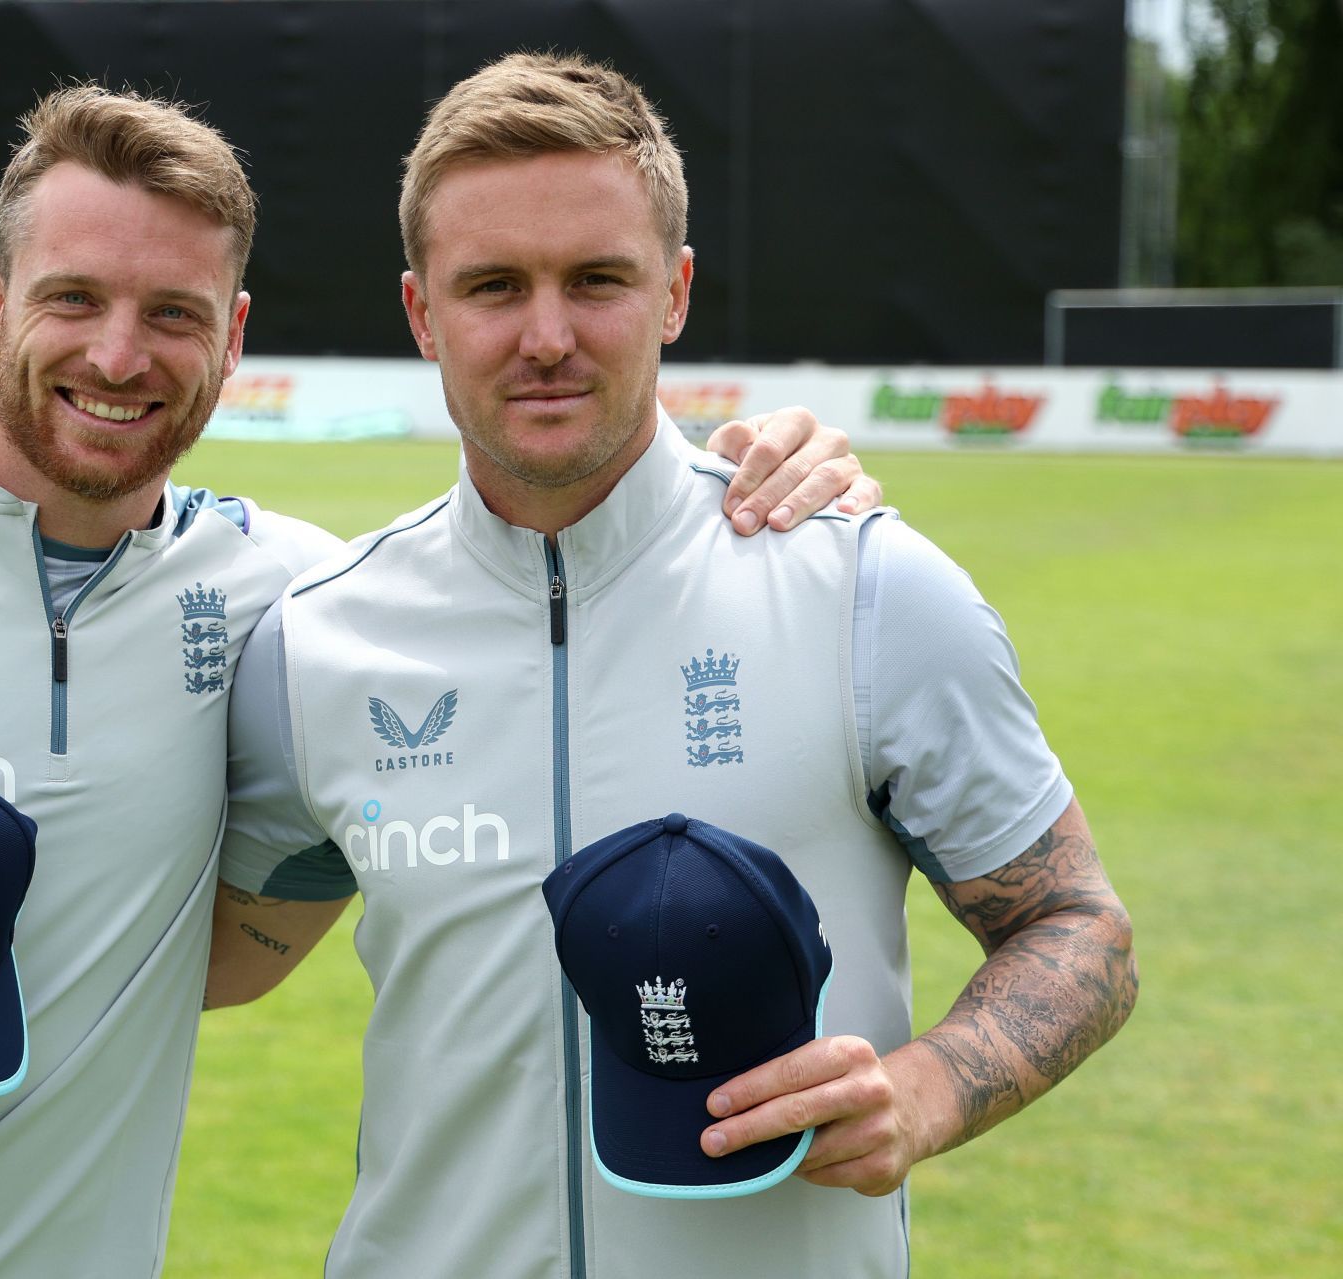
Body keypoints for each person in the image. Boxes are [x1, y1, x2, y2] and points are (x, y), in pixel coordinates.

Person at [0, 82, 872, 1277]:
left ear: (232, 339)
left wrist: (761, 472)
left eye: (172, 313)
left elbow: (492, 600)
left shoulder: (287, 592)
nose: (118, 357)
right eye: (73, 300)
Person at [212, 52, 1139, 1278]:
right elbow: (199, 952)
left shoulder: (862, 586)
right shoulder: (318, 637)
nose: (547, 335)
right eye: (493, 285)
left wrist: (920, 1092)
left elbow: (1081, 930)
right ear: (422, 313)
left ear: (676, 292)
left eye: (597, 279)